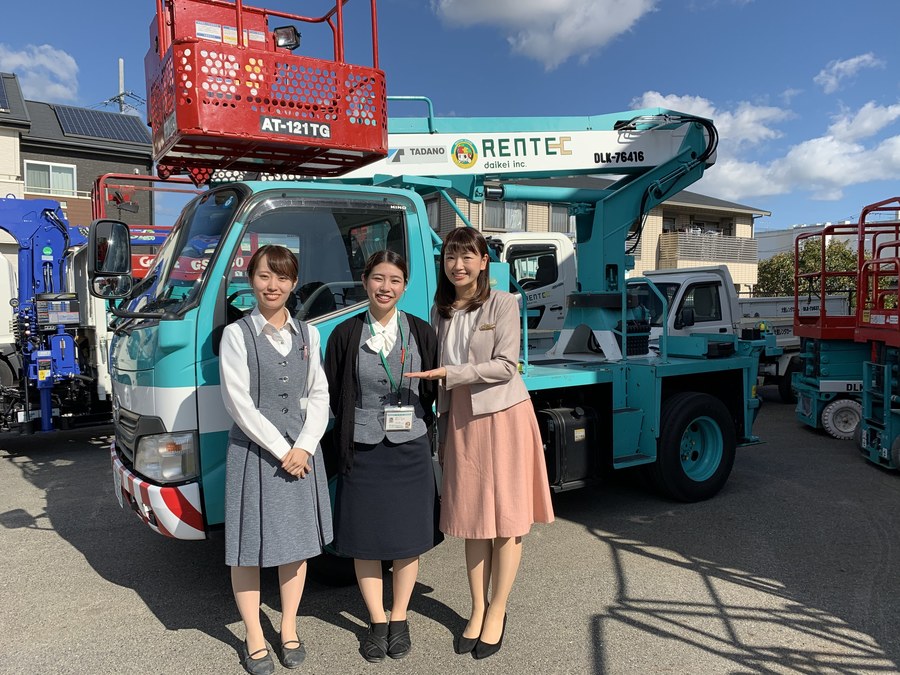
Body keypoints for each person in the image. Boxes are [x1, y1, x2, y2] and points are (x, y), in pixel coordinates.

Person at [405, 227, 554, 660]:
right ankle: (476, 608)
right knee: (473, 519)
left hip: (504, 415)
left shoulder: (503, 303)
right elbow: (433, 370)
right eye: (451, 257)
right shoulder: (440, 311)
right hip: (461, 420)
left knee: (506, 520)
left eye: (468, 256)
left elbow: (506, 366)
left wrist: (452, 374)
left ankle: (498, 609)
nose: (459, 265)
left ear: (484, 261)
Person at [219, 244, 333, 675]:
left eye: (282, 277)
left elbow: (318, 393)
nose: (273, 285)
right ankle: (253, 634)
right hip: (255, 452)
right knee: (247, 549)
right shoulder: (237, 335)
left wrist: (305, 445)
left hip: (300, 451)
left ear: (293, 283)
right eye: (265, 275)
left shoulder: (308, 334)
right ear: (251, 279)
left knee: (296, 545)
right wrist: (285, 450)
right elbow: (238, 404)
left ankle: (288, 627)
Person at [324, 250, 441, 663]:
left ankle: (400, 617)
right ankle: (376, 620)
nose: (385, 287)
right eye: (378, 278)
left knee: (408, 538)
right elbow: (335, 390)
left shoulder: (422, 331)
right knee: (366, 539)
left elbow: (432, 388)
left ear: (405, 286)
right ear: (364, 281)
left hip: (410, 446)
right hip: (362, 447)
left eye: (394, 280)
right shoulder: (345, 333)